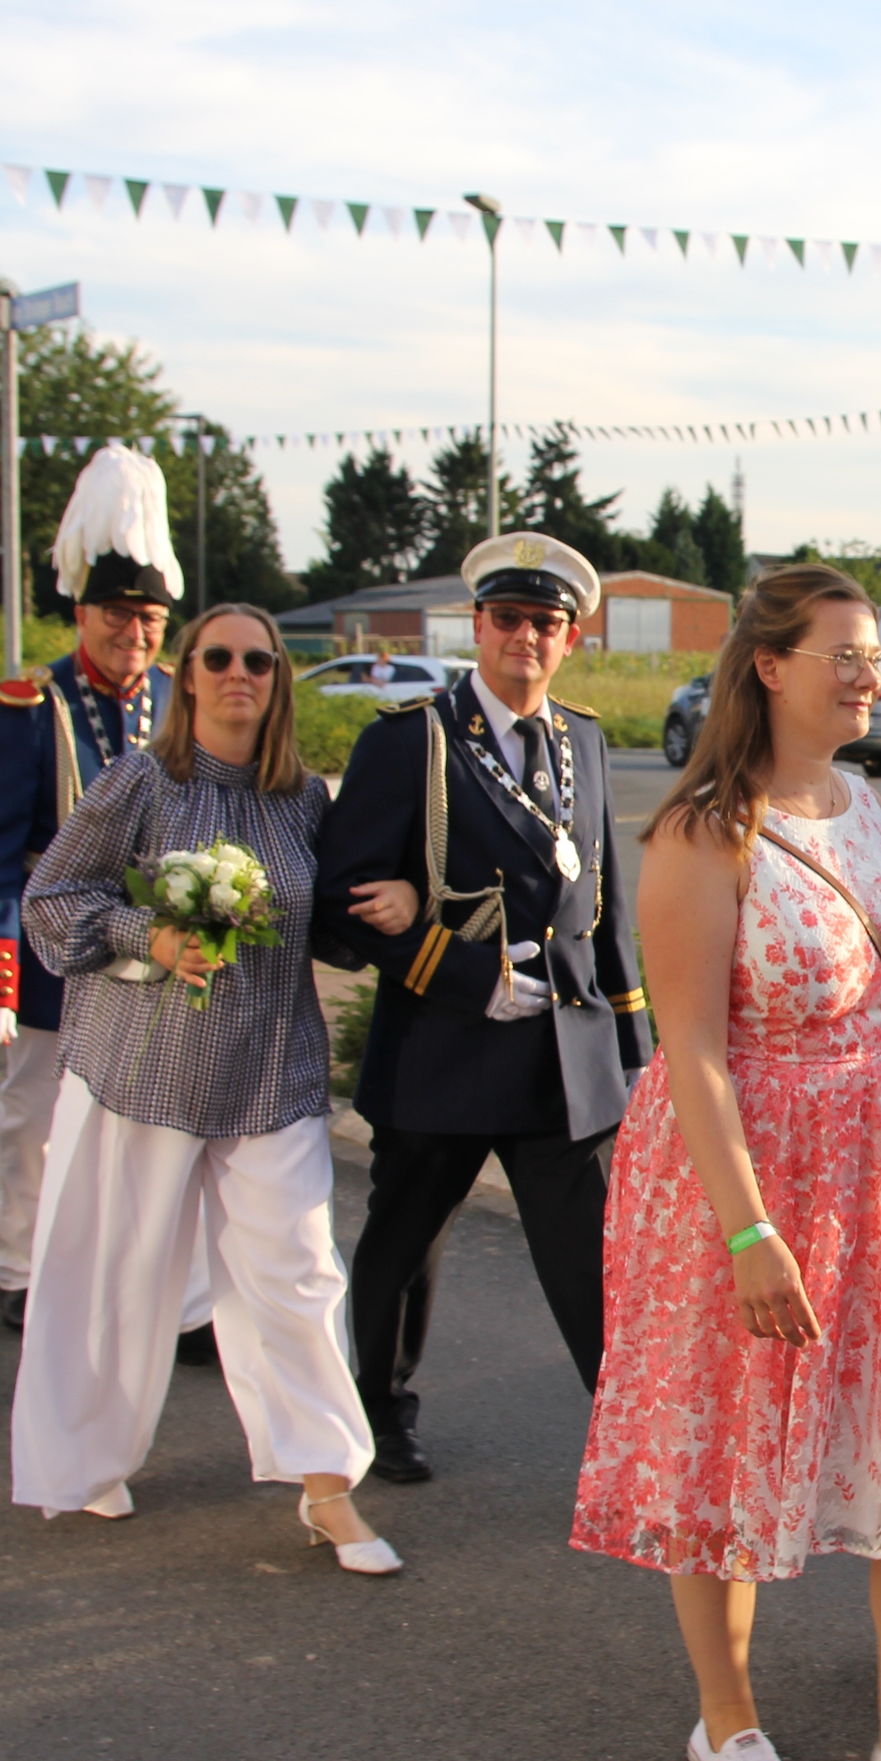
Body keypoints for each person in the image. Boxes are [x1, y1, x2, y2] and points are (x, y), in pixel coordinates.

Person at [572, 564, 881, 1761]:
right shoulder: (702, 831)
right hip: (742, 1167)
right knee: (724, 1437)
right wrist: (747, 1228)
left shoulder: (860, 803)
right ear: (769, 666)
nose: (867, 673)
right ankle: (726, 1716)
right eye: (844, 652)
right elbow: (691, 1052)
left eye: (874, 653)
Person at [9, 602, 405, 1570]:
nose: (239, 674)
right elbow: (52, 899)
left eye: (258, 661)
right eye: (218, 657)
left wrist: (394, 902)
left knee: (299, 1275)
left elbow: (333, 926)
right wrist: (148, 936)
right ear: (187, 675)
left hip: (270, 1071)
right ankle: (87, 1455)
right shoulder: (141, 781)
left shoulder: (304, 800)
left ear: (277, 681)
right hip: (145, 1069)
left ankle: (326, 1486)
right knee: (120, 1273)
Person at [314, 532, 650, 1483]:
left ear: (571, 639)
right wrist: (468, 975)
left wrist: (633, 1047)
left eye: (546, 623)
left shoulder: (583, 737)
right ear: (476, 624)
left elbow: (603, 904)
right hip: (445, 1049)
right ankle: (379, 1414)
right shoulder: (408, 740)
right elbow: (340, 900)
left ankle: (634, 1441)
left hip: (563, 1057)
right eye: (508, 618)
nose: (524, 638)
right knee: (403, 1248)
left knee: (593, 1260)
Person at [0, 445, 184, 1337]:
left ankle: (147, 1278)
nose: (135, 633)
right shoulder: (30, 705)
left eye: (150, 618)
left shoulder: (177, 700)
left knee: (155, 1124)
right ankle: (20, 1265)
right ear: (83, 612)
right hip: (57, 954)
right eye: (119, 614)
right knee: (37, 1120)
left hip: (158, 951)